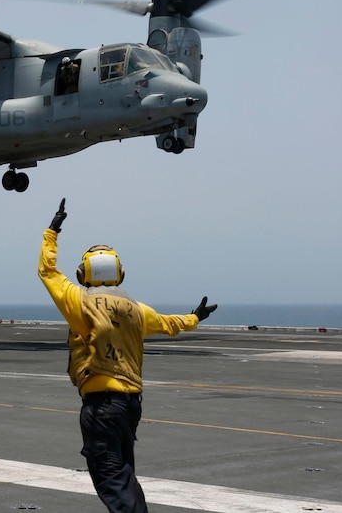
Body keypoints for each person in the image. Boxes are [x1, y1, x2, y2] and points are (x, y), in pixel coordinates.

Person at [37, 198, 217, 512]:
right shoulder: (136, 310)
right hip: (130, 405)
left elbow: (47, 272)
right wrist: (195, 318)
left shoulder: (80, 302)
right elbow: (169, 324)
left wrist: (52, 232)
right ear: (120, 274)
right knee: (124, 474)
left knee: (110, 474)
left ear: (83, 274)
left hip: (102, 405)